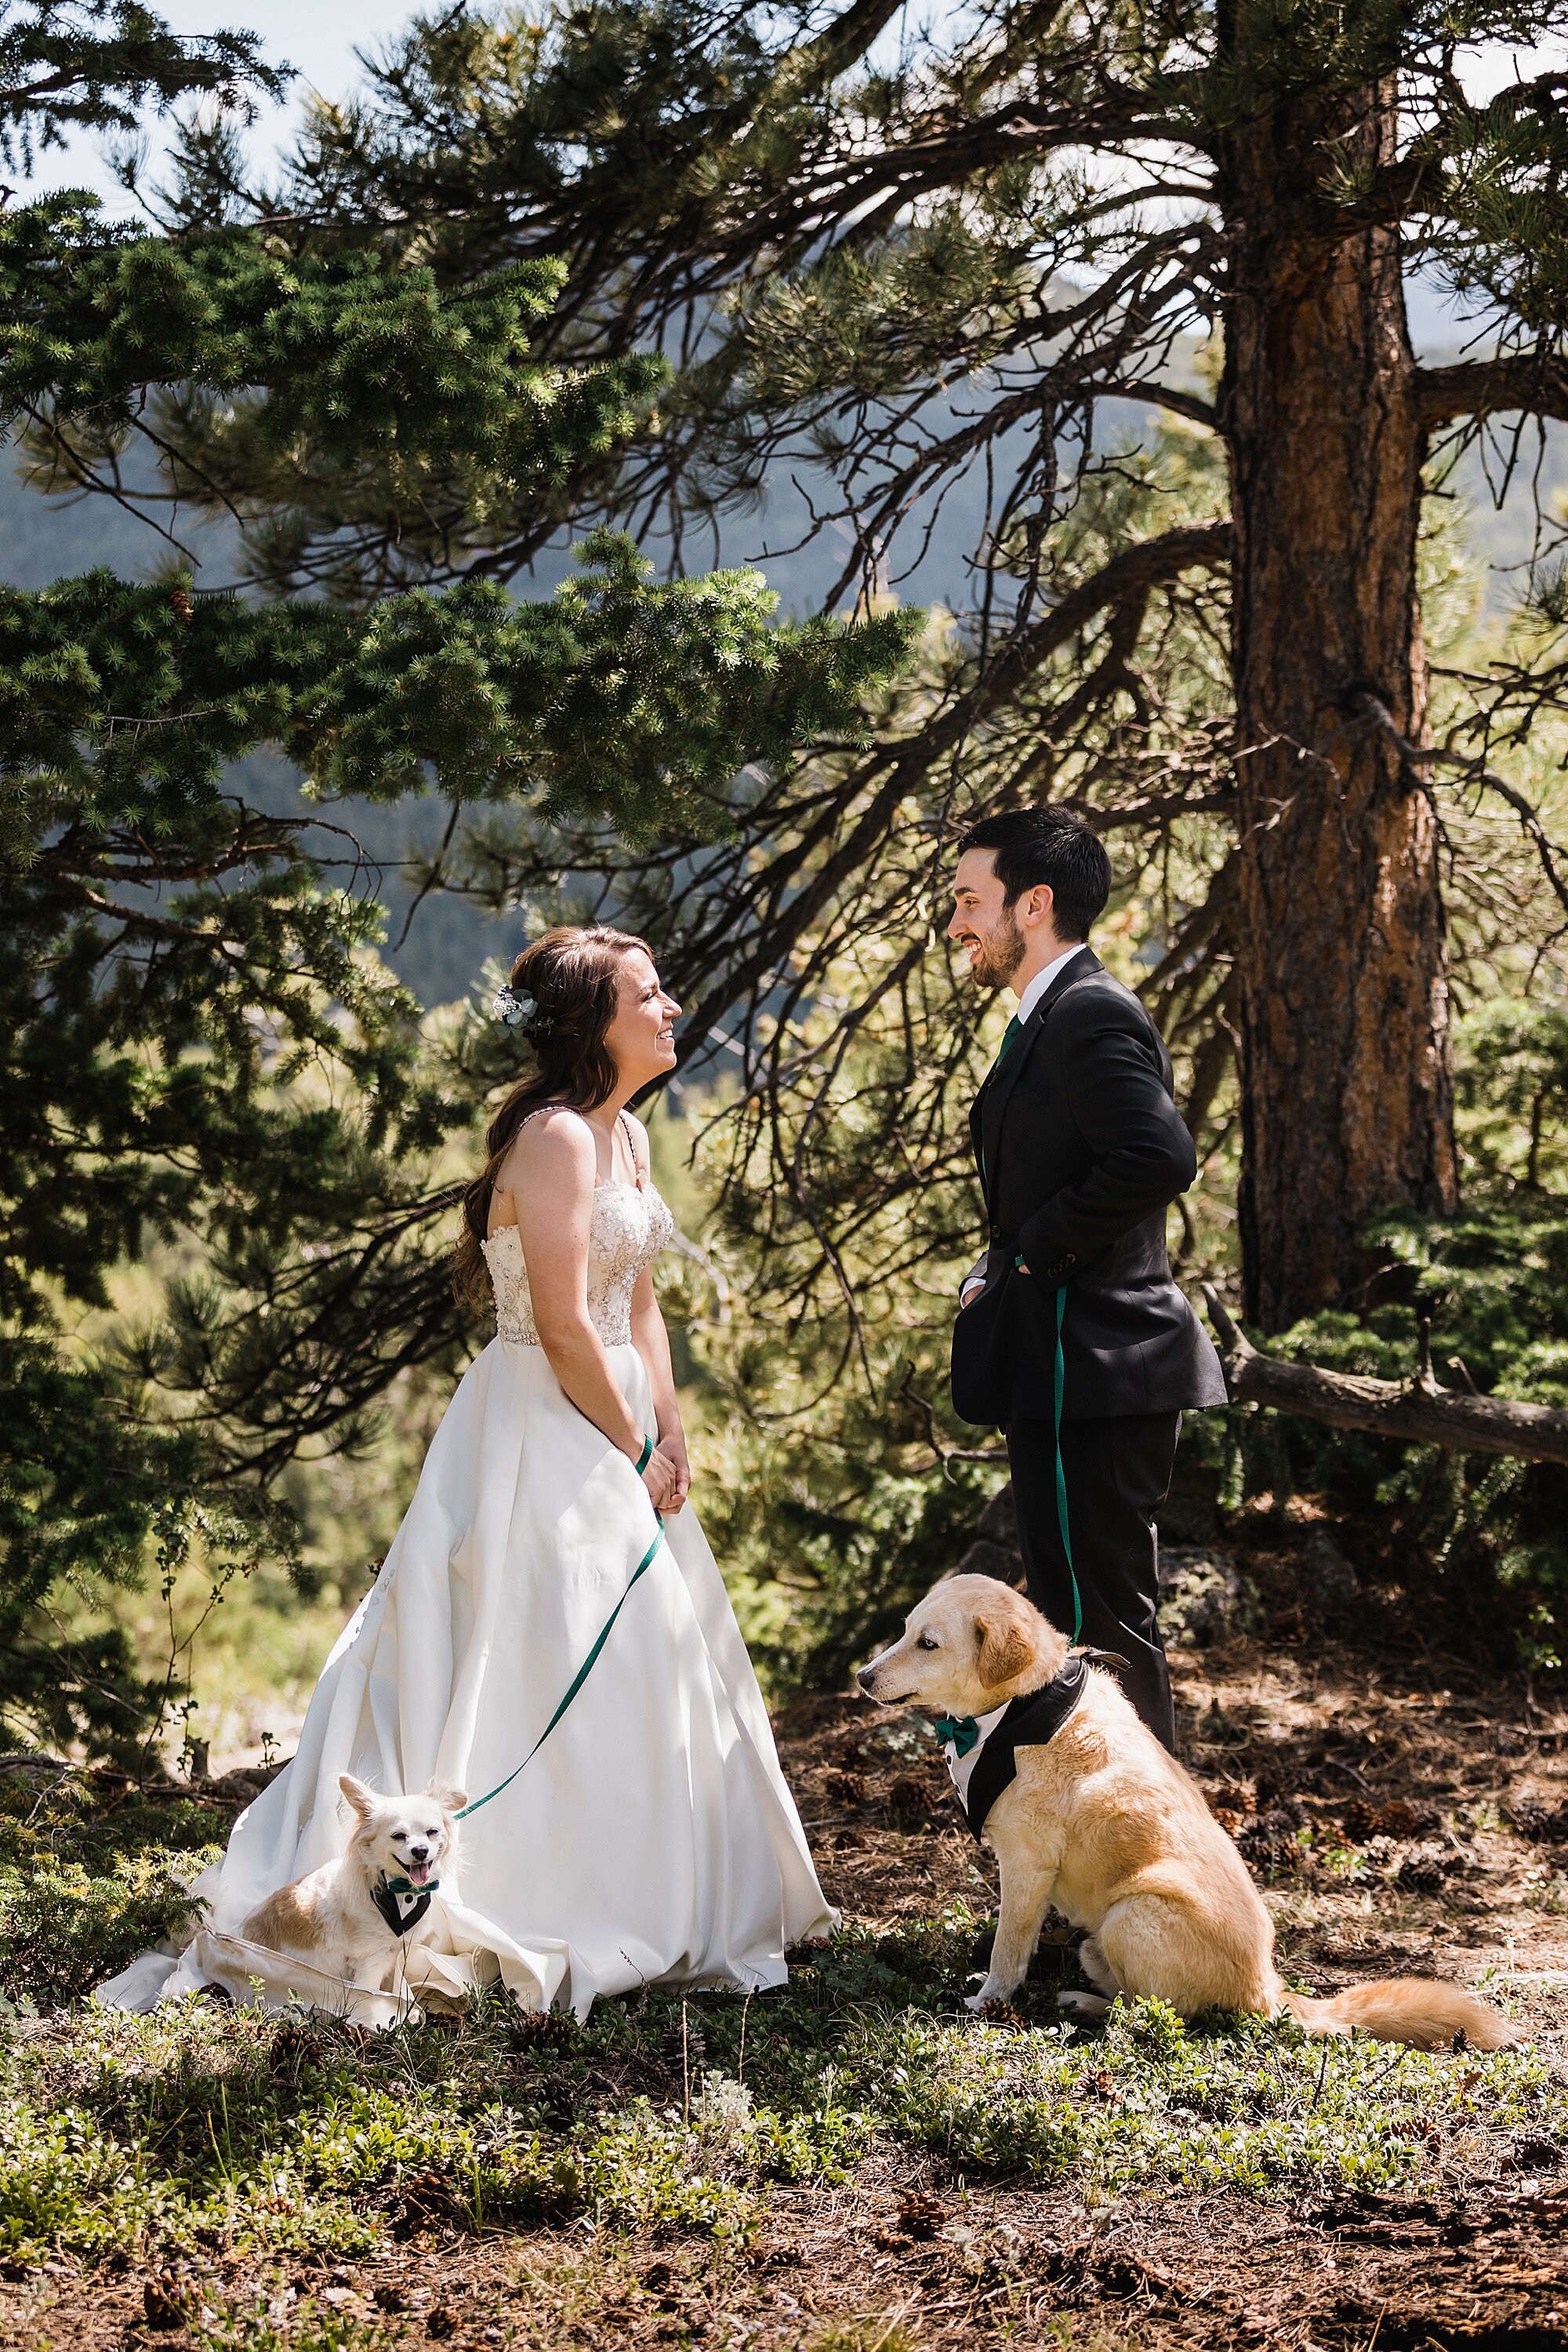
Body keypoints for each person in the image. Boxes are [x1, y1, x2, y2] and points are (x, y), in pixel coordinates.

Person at [100, 925, 833, 2021]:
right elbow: (559, 1320)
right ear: (595, 1022)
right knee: (542, 1636)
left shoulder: (624, 1134)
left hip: (617, 1409)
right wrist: (628, 1449)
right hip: (543, 1418)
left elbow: (638, 1304)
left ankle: (651, 1890)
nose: (673, 1006)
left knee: (651, 1649)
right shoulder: (555, 1141)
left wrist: (670, 1431)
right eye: (650, 994)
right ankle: (523, 1893)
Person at [948, 809, 1226, 1752]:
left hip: (1097, 1363)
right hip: (1066, 1362)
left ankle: (1159, 1864)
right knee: (1075, 1608)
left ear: (1035, 905)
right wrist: (1002, 1262)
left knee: (1103, 1621)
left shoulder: (1088, 1011)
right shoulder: (1050, 1015)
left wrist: (1032, 1255)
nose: (954, 927)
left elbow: (1156, 1155)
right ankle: (1108, 1854)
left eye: (968, 902)